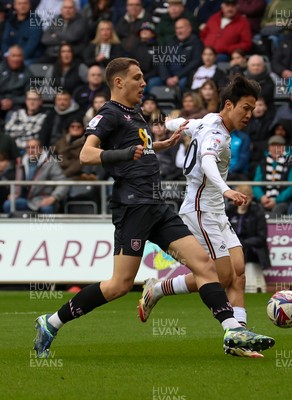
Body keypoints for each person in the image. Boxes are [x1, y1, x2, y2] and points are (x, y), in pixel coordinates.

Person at [33, 58, 274, 359]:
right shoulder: (108, 114)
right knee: (119, 285)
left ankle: (232, 329)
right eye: (137, 78)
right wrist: (123, 153)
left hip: (157, 206)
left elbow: (139, 149)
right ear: (118, 82)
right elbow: (86, 154)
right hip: (132, 208)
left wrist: (159, 145)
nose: (144, 83)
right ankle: (50, 322)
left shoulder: (135, 114)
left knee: (205, 266)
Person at [138, 75, 271, 357]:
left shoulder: (208, 120)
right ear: (229, 104)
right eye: (245, 108)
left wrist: (171, 127)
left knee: (238, 272)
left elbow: (181, 122)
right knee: (220, 276)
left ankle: (237, 339)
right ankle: (158, 289)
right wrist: (225, 189)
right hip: (200, 211)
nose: (250, 114)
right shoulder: (216, 134)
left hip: (216, 211)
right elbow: (208, 160)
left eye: (253, 108)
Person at [3, 138, 69, 214]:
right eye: (28, 147)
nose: (31, 150)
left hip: (42, 199)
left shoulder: (50, 163)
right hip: (24, 199)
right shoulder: (20, 162)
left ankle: (47, 226)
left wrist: (53, 197)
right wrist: (13, 193)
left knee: (47, 209)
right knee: (8, 205)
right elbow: (11, 180)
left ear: (41, 149)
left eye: (34, 147)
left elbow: (63, 183)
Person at [226, 184, 270, 293]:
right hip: (232, 248)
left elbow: (261, 237)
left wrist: (242, 243)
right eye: (241, 197)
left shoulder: (257, 212)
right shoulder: (229, 212)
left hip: (252, 250)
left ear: (251, 197)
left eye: (247, 197)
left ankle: (251, 287)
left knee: (246, 252)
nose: (244, 200)